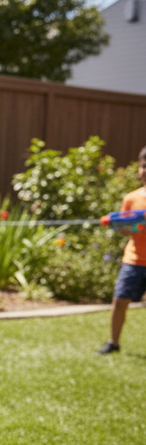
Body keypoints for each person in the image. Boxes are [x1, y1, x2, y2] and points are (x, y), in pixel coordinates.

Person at [98, 145, 146, 354]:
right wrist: (120, 226)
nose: (145, 171)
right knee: (119, 299)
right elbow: (126, 230)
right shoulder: (131, 198)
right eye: (144, 166)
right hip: (134, 259)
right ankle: (113, 343)